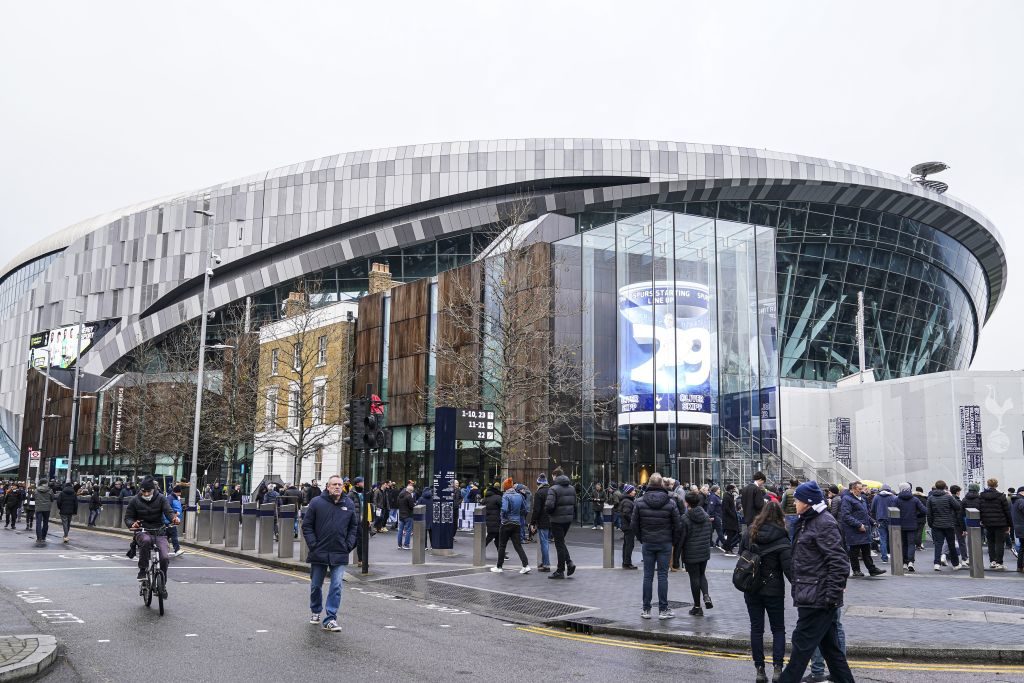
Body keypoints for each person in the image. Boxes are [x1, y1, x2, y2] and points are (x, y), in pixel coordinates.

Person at [778, 481, 854, 683]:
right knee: (831, 650)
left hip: (818, 598)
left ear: (809, 502)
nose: (795, 502)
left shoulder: (824, 522)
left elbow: (839, 562)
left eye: (798, 499)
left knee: (801, 647)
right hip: (811, 594)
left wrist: (831, 596)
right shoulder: (807, 521)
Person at [739, 502, 793, 683]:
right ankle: (778, 668)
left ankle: (759, 670)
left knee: (756, 629)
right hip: (774, 589)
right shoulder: (782, 537)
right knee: (778, 629)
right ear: (780, 516)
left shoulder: (749, 533)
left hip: (752, 588)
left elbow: (742, 557)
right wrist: (800, 587)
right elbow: (789, 570)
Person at [302, 475, 358, 632]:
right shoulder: (317, 502)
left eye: (340, 484)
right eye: (334, 484)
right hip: (319, 551)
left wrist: (348, 546)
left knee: (337, 585)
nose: (337, 487)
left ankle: (331, 618)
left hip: (339, 551)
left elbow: (354, 527)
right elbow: (307, 526)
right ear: (328, 486)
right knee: (315, 586)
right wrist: (313, 545)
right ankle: (315, 610)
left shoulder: (348, 503)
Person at [631, 473, 680, 619]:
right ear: (662, 485)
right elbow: (678, 525)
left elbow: (634, 524)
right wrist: (673, 541)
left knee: (648, 576)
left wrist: (642, 538)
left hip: (648, 542)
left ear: (649, 484)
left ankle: (646, 609)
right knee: (663, 576)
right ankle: (663, 610)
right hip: (665, 542)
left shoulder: (639, 502)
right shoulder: (671, 502)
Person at [124, 478, 179, 582]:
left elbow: (169, 512)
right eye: (143, 491)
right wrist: (132, 523)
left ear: (153, 490)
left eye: (148, 491)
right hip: (142, 530)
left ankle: (162, 580)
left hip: (159, 531)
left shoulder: (161, 499)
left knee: (164, 557)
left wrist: (174, 518)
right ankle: (143, 570)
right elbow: (128, 518)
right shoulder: (134, 500)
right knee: (145, 541)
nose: (146, 494)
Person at [839, 481, 885, 577]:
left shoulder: (861, 499)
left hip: (863, 529)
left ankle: (872, 569)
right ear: (852, 489)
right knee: (854, 551)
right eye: (859, 489)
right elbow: (846, 516)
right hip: (854, 530)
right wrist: (859, 525)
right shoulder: (847, 499)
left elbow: (864, 514)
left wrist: (873, 521)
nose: (861, 491)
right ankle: (856, 570)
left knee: (866, 550)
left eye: (861, 489)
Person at [679, 490, 713, 615]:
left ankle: (697, 607)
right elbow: (709, 533)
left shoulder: (685, 518)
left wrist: (677, 556)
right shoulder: (705, 516)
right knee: (702, 575)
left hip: (691, 552)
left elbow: (681, 538)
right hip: (704, 551)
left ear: (687, 503)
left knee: (694, 578)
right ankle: (706, 595)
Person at [492, 478, 530, 574]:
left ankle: (499, 566)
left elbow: (504, 509)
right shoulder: (519, 496)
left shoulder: (506, 496)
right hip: (517, 523)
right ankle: (526, 565)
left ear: (505, 487)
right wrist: (517, 515)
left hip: (506, 523)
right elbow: (524, 509)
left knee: (502, 545)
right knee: (518, 546)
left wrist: (503, 518)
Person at [544, 467, 577, 579]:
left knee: (559, 544)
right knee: (561, 542)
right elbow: (575, 504)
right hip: (567, 520)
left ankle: (560, 570)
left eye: (553, 476)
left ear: (555, 476)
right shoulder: (572, 488)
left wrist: (550, 513)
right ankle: (569, 563)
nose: (552, 478)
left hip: (556, 520)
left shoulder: (553, 489)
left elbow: (549, 506)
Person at [926, 480, 963, 571]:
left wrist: (931, 524)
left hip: (936, 524)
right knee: (951, 544)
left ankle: (936, 564)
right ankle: (955, 564)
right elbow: (958, 507)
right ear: (944, 487)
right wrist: (951, 496)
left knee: (938, 545)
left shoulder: (930, 498)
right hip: (948, 524)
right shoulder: (948, 497)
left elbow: (929, 513)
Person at [978, 477, 1012, 570]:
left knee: (990, 542)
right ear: (996, 485)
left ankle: (992, 561)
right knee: (1000, 543)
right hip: (1001, 523)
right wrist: (1009, 524)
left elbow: (980, 509)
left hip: (988, 523)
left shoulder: (981, 496)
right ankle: (999, 562)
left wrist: (982, 520)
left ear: (988, 485)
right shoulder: (1001, 496)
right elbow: (1006, 511)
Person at [894, 483, 926, 572]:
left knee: (904, 544)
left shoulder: (896, 499)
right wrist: (916, 515)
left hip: (900, 525)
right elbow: (924, 510)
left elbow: (893, 511)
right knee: (911, 544)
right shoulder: (915, 499)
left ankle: (904, 563)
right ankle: (911, 562)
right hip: (912, 524)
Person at [530, 474, 552, 572]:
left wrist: (532, 522)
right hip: (552, 520)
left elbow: (536, 510)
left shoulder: (539, 493)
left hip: (543, 521)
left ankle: (546, 564)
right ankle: (545, 561)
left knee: (544, 543)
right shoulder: (551, 491)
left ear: (538, 483)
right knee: (547, 542)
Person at [870, 483, 895, 564]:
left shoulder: (877, 497)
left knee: (882, 538)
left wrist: (875, 519)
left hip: (880, 519)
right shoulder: (893, 497)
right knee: (892, 538)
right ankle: (893, 555)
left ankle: (884, 557)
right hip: (891, 519)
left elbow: (872, 509)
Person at [949, 484, 970, 566]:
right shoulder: (958, 502)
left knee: (949, 542)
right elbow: (959, 516)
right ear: (958, 492)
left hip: (949, 523)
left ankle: (943, 556)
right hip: (957, 524)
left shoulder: (948, 500)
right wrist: (964, 528)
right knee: (962, 542)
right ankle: (964, 558)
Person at [482, 482, 503, 559]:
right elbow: (503, 507)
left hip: (488, 520)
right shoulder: (497, 497)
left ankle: (501, 554)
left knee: (497, 538)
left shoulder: (485, 498)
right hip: (496, 520)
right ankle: (480, 549)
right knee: (491, 537)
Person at [619, 485, 638, 569]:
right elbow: (626, 513)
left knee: (627, 544)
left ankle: (626, 562)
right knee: (629, 545)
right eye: (633, 490)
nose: (635, 492)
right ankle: (627, 563)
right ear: (629, 492)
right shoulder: (627, 502)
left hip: (626, 526)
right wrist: (633, 521)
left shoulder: (627, 500)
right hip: (628, 526)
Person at [722, 483, 741, 556]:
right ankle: (728, 548)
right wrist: (732, 514)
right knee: (730, 534)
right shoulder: (727, 496)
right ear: (731, 489)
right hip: (729, 519)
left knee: (732, 533)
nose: (735, 490)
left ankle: (726, 547)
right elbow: (726, 508)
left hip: (731, 518)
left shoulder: (730, 496)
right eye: (734, 488)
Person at [166, 485, 184, 557]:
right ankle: (177, 550)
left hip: (172, 520)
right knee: (174, 535)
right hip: (170, 520)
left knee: (166, 536)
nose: (180, 494)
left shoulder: (175, 498)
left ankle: (163, 550)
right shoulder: (170, 498)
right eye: (179, 492)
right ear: (177, 492)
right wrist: (175, 511)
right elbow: (167, 507)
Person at [396, 481, 415, 550]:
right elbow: (411, 506)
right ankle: (406, 545)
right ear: (410, 491)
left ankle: (399, 545)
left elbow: (397, 504)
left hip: (401, 515)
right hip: (408, 515)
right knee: (408, 530)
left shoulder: (400, 495)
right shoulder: (409, 496)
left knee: (400, 530)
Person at [1012, 487, 1024, 573]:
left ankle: (1020, 566)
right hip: (1022, 527)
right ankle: (1021, 566)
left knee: (1022, 547)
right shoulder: (1021, 501)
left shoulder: (1016, 501)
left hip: (1019, 527)